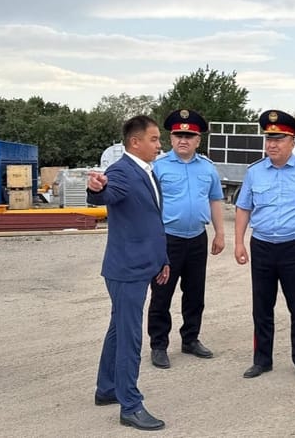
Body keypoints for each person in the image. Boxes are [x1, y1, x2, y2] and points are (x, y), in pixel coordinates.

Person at [234, 109, 295, 385]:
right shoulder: (255, 172)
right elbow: (243, 208)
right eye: (269, 139)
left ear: (292, 142)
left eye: (279, 139)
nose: (272, 145)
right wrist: (239, 242)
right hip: (263, 246)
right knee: (261, 307)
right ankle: (261, 360)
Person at [87, 115, 170, 431]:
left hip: (143, 265)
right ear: (135, 142)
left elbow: (152, 221)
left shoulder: (147, 171)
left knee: (119, 329)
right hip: (126, 270)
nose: (159, 145)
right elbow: (105, 192)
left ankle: (107, 388)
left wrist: (162, 259)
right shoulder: (121, 171)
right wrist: (96, 188)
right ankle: (130, 406)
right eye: (154, 139)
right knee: (130, 337)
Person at [148, 109, 225, 369]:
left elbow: (215, 200)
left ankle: (190, 339)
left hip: (197, 239)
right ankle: (159, 345)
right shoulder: (158, 167)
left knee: (195, 294)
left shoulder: (207, 168)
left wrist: (220, 233)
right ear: (171, 138)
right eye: (179, 135)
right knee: (162, 294)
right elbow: (149, 205)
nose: (183, 140)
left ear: (198, 140)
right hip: (167, 240)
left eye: (189, 136)